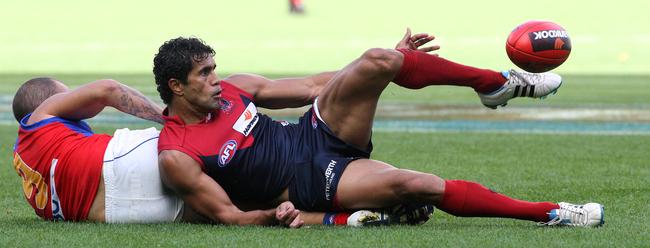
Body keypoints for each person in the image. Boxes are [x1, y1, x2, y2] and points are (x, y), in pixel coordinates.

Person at [11, 77, 421, 227]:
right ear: (45, 104)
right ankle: (384, 186)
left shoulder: (28, 174)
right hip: (121, 162)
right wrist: (169, 117)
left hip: (120, 214)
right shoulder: (37, 119)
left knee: (235, 205)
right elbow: (105, 91)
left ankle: (338, 219)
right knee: (239, 161)